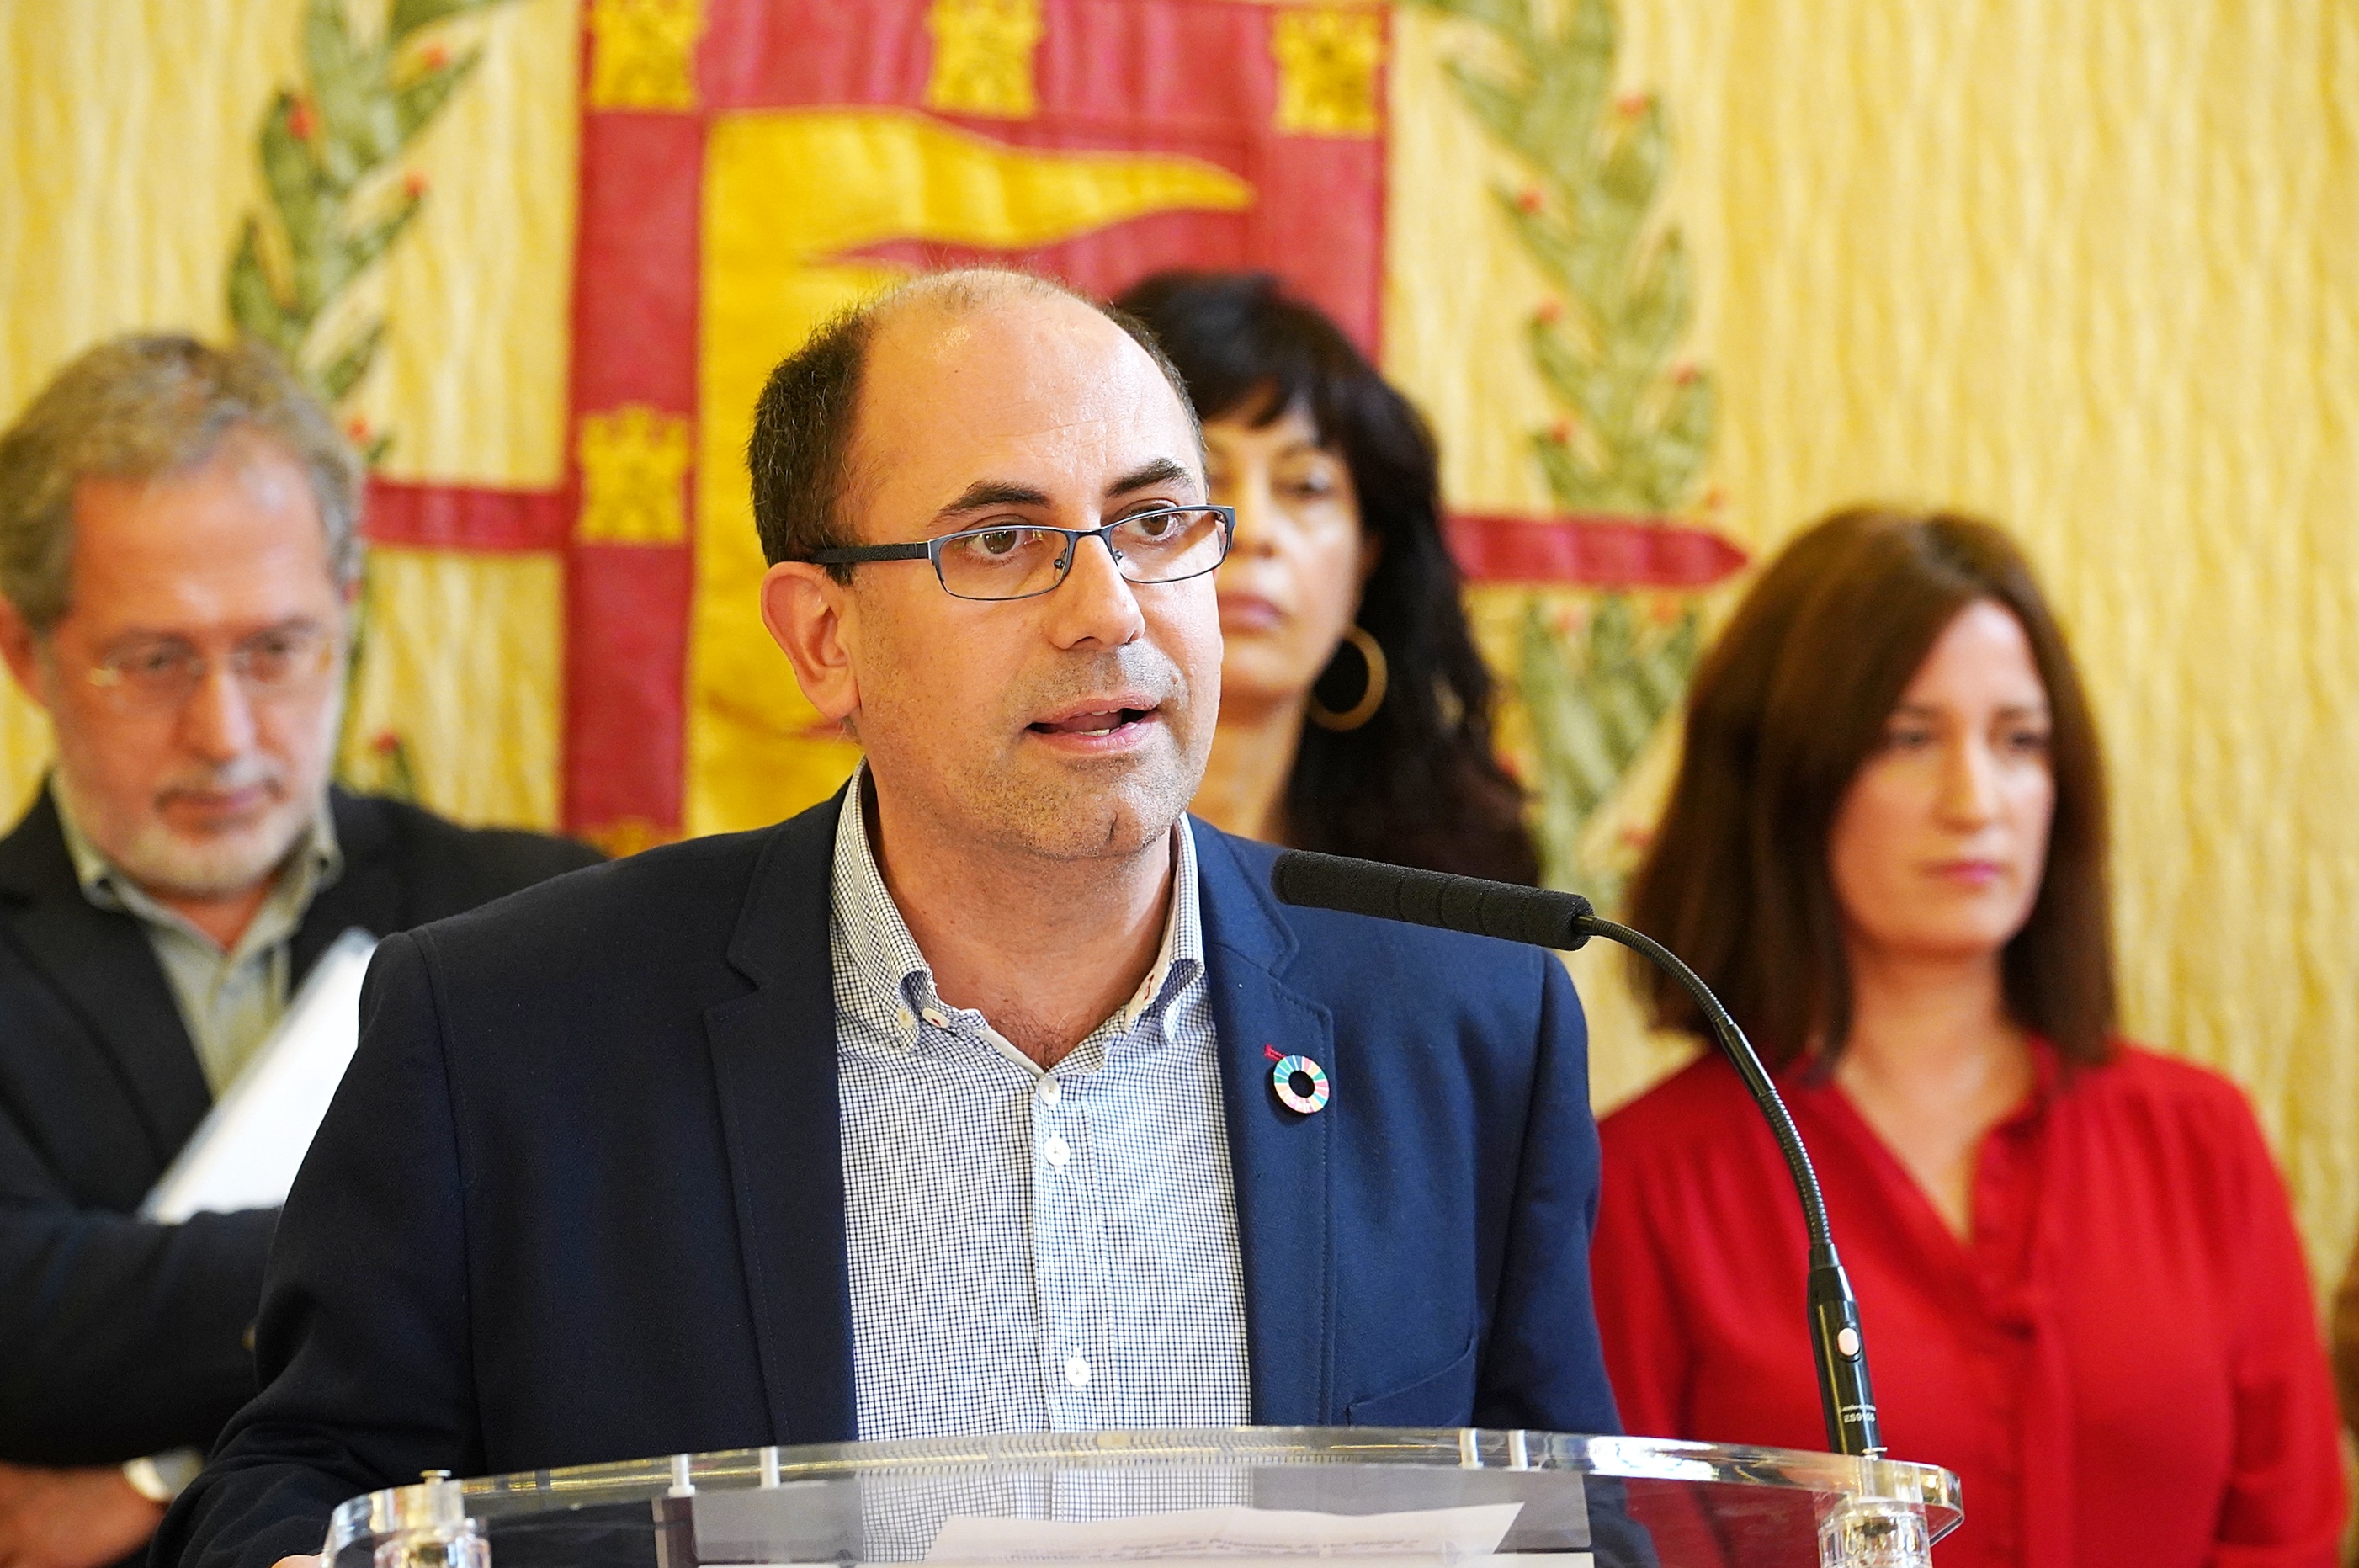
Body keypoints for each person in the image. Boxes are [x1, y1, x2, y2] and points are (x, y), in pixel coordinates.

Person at [155, 270, 1619, 1567]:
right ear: (823, 637)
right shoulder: (506, 1031)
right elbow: (299, 1480)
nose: (1109, 609)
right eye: (1000, 540)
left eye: (1153, 521)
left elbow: (1573, 1512)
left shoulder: (1467, 1025)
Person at [1590, 508, 2344, 1567]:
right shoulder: (1640, 1186)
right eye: (1907, 739)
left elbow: (2289, 1537)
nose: (1975, 800)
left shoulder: (2199, 1143)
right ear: (1785, 778)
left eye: (2019, 741)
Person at [0, 336, 599, 1568]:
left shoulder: (542, 909)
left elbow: (619, 1281)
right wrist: (457, 1232)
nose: (224, 733)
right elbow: (19, 1321)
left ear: (346, 614)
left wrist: (153, 1473)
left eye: (275, 650)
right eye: (155, 661)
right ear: (26, 653)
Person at [1114, 271, 1536, 884]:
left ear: (1367, 558)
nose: (1254, 530)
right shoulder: (1012, 845)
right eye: (1200, 481)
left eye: (1305, 486)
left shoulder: (1453, 883)